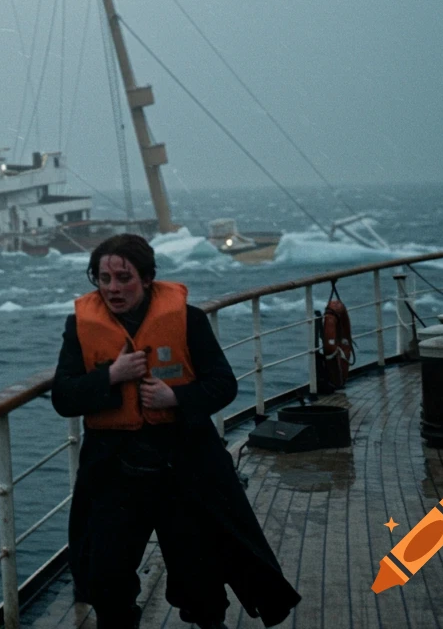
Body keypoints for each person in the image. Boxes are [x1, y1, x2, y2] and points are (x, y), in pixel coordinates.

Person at [52, 234, 299, 629]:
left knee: (199, 572)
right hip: (115, 470)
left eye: (123, 277)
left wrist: (176, 397)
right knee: (107, 575)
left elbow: (223, 384)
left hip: (182, 466)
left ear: (147, 278)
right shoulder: (79, 328)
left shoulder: (188, 320)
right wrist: (110, 376)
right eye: (103, 278)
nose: (113, 288)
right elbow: (63, 396)